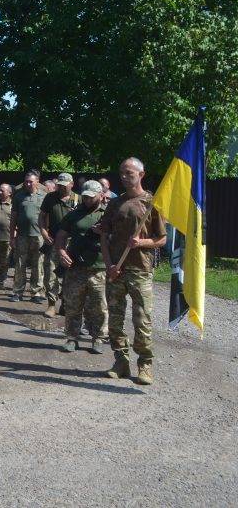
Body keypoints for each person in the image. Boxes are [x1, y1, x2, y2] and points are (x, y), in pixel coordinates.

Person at [99, 158, 166, 385]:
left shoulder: (151, 203)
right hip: (117, 270)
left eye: (129, 173)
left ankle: (145, 364)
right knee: (115, 320)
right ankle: (121, 361)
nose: (124, 176)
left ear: (141, 174)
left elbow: (162, 239)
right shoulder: (114, 204)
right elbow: (103, 235)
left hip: (140, 270)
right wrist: (109, 265)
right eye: (122, 173)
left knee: (142, 320)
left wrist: (142, 242)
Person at [56, 181, 108, 353]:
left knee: (99, 305)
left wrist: (105, 234)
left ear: (101, 195)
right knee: (72, 304)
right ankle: (72, 337)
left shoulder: (108, 214)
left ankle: (98, 338)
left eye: (90, 197)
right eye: (84, 196)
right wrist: (61, 252)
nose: (87, 200)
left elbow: (120, 238)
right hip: (76, 266)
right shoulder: (74, 214)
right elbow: (61, 235)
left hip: (100, 266)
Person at [38, 172, 79, 317]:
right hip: (53, 241)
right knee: (50, 273)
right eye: (59, 185)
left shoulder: (77, 199)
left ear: (71, 184)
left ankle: (65, 304)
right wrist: (44, 232)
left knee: (70, 275)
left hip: (71, 244)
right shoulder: (50, 197)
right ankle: (51, 304)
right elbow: (42, 216)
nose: (61, 188)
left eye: (64, 185)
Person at [9, 170, 45, 303]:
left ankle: (36, 293)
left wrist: (46, 234)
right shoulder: (19, 196)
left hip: (39, 236)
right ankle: (17, 292)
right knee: (20, 264)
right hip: (22, 235)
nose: (28, 183)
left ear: (37, 182)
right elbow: (13, 217)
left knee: (38, 265)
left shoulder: (44, 196)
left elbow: (47, 217)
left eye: (31, 181)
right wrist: (12, 236)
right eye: (26, 181)